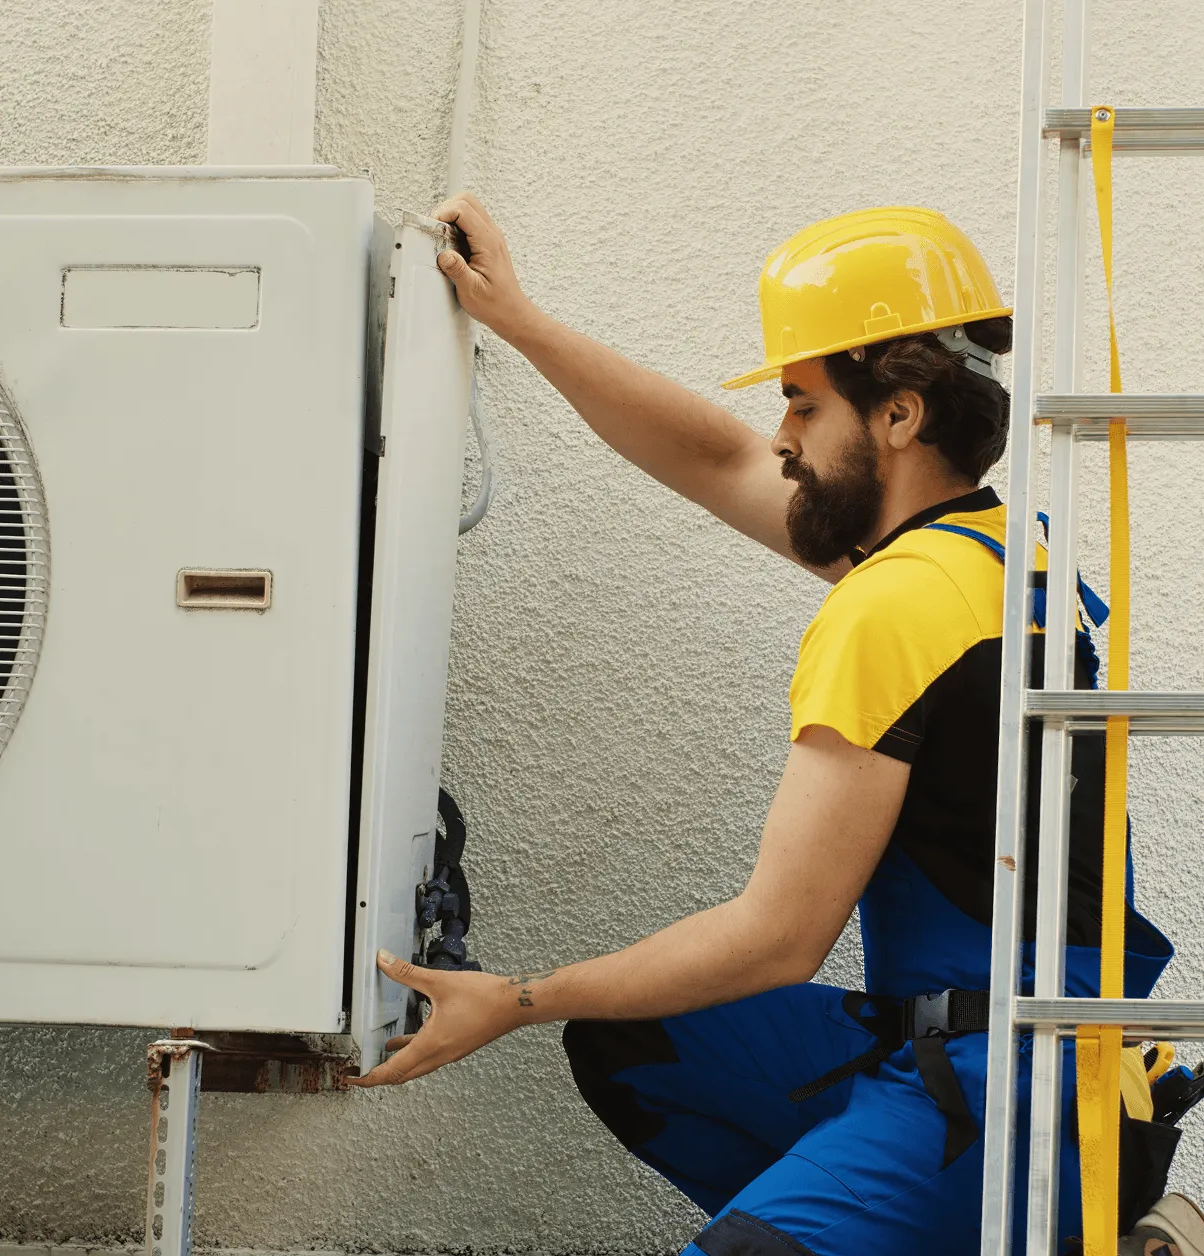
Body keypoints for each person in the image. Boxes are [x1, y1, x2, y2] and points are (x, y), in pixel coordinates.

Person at [348, 199, 1187, 1256]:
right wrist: (521, 320)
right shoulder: (994, 553)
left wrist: (513, 998)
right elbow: (717, 464)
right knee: (635, 1037)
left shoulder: (889, 609)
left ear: (897, 415)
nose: (781, 437)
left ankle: (1001, 1224)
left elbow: (777, 935)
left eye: (800, 403)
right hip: (1072, 1062)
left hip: (1001, 1093)